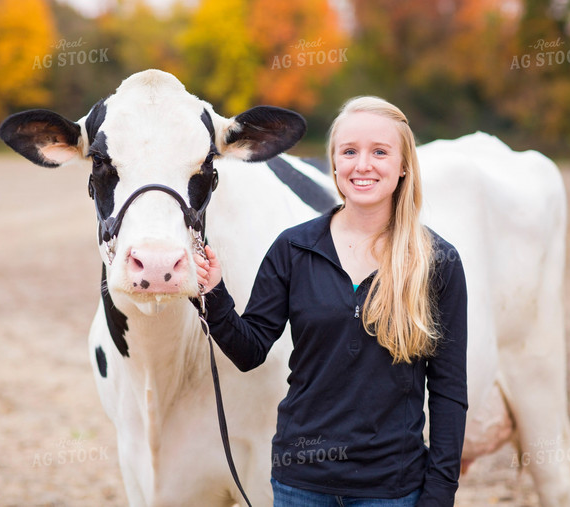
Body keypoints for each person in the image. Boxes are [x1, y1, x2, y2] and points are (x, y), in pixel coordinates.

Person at [194, 96, 468, 507]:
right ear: (334, 163)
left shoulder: (436, 261)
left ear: (404, 164)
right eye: (349, 151)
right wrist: (214, 294)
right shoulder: (293, 249)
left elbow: (448, 390)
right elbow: (249, 350)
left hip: (391, 490)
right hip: (300, 484)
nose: (363, 165)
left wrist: (440, 492)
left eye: (380, 151)